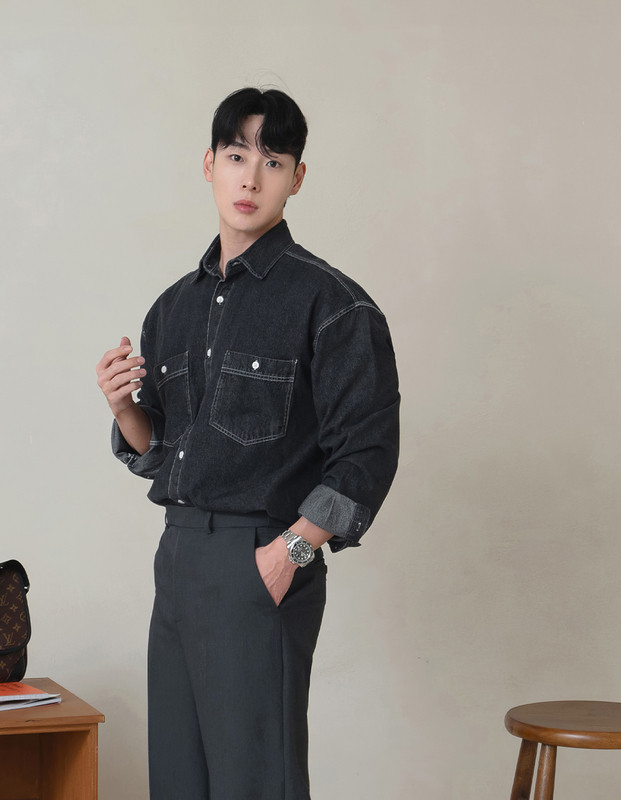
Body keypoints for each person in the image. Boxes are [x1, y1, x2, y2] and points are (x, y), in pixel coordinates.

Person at [96, 87, 400, 800]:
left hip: (260, 557)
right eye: (237, 156)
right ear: (209, 164)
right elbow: (163, 448)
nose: (251, 178)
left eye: (273, 161)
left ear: (297, 177)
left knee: (255, 781)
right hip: (178, 557)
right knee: (179, 780)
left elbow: (368, 452)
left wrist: (290, 552)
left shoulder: (332, 304)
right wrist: (123, 406)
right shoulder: (173, 307)